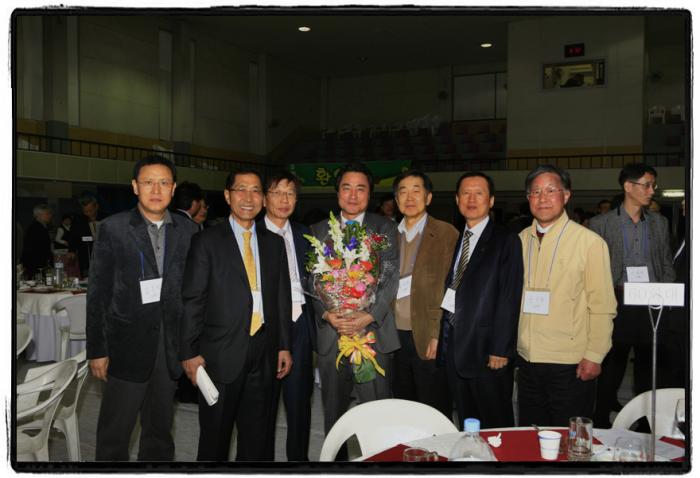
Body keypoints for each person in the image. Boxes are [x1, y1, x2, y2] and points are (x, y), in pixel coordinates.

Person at [86, 155, 198, 461]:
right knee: (114, 435)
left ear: (173, 188)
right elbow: (98, 294)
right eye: (148, 182)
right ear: (135, 186)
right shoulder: (113, 228)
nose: (156, 190)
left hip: (169, 346)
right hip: (125, 345)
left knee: (159, 433)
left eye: (163, 182)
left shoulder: (188, 231)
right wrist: (97, 349)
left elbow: (194, 294)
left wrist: (193, 345)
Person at [180, 169, 292, 461]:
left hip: (264, 350)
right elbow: (193, 299)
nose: (248, 197)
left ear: (263, 199)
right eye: (241, 189)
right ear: (228, 196)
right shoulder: (207, 241)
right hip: (220, 353)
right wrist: (189, 352)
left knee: (257, 438)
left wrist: (283, 345)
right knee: (215, 439)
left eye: (255, 190)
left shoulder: (273, 243)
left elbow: (281, 298)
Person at [517, 164, 617, 427]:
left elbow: (603, 305)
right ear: (528, 198)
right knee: (531, 433)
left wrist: (595, 354)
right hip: (527, 361)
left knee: (569, 437)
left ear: (567, 195)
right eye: (536, 192)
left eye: (551, 190)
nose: (542, 198)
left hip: (570, 363)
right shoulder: (520, 240)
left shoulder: (589, 243)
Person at [310, 162, 399, 447]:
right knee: (334, 418)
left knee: (375, 415)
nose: (352, 195)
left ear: (369, 194)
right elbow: (310, 280)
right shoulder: (319, 230)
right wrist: (327, 313)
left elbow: (389, 275)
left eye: (360, 189)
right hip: (332, 335)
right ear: (337, 193)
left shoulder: (383, 229)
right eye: (346, 188)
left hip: (372, 336)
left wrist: (367, 316)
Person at [589, 163, 675, 427]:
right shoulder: (601, 223)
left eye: (653, 185)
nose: (652, 191)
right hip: (616, 300)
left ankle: (647, 424)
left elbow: (666, 262)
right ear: (628, 186)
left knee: (648, 368)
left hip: (651, 301)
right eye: (647, 185)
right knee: (611, 365)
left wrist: (667, 294)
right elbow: (592, 269)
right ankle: (600, 421)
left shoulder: (660, 223)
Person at [437, 172, 523, 429]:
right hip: (455, 345)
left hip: (487, 350)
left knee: (495, 425)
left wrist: (501, 348)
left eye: (479, 193)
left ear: (491, 200)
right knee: (467, 423)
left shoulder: (506, 240)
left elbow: (510, 296)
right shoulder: (456, 239)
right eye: (465, 193)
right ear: (457, 200)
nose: (471, 199)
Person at [258, 170, 316, 461]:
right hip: (265, 327)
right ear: (264, 198)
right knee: (263, 405)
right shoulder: (252, 234)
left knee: (299, 404)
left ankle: (298, 463)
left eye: (290, 194)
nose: (284, 200)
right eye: (277, 193)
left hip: (301, 324)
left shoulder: (306, 235)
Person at [391, 170, 456, 420]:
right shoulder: (387, 235)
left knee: (433, 405)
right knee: (402, 404)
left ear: (428, 197)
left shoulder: (446, 234)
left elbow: (452, 288)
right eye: (403, 192)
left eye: (416, 191)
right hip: (393, 335)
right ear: (396, 200)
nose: (409, 198)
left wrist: (439, 334)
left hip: (428, 334)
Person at [68, 193, 101, 278]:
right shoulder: (78, 220)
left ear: (96, 207)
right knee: (87, 278)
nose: (87, 213)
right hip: (85, 256)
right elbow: (72, 236)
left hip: (104, 256)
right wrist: (71, 250)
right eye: (85, 211)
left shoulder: (106, 218)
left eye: (90, 210)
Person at [21, 204, 53, 279]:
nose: (50, 216)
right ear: (39, 215)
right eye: (47, 214)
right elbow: (35, 250)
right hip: (36, 265)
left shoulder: (40, 227)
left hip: (38, 264)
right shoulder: (35, 228)